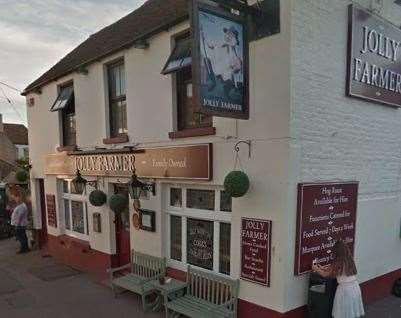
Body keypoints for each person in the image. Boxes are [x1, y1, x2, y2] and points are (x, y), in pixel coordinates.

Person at [312, 241, 364, 318]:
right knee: (350, 312)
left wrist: (316, 269)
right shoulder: (349, 259)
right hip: (355, 287)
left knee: (343, 313)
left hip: (345, 290)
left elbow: (326, 274)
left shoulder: (338, 262)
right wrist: (323, 268)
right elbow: (333, 268)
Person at [9, 187, 30, 254]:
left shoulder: (21, 206)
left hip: (20, 224)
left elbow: (19, 217)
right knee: (22, 236)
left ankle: (23, 249)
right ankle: (25, 248)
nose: (15, 200)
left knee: (21, 237)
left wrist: (17, 225)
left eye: (16, 198)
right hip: (20, 224)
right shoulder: (21, 205)